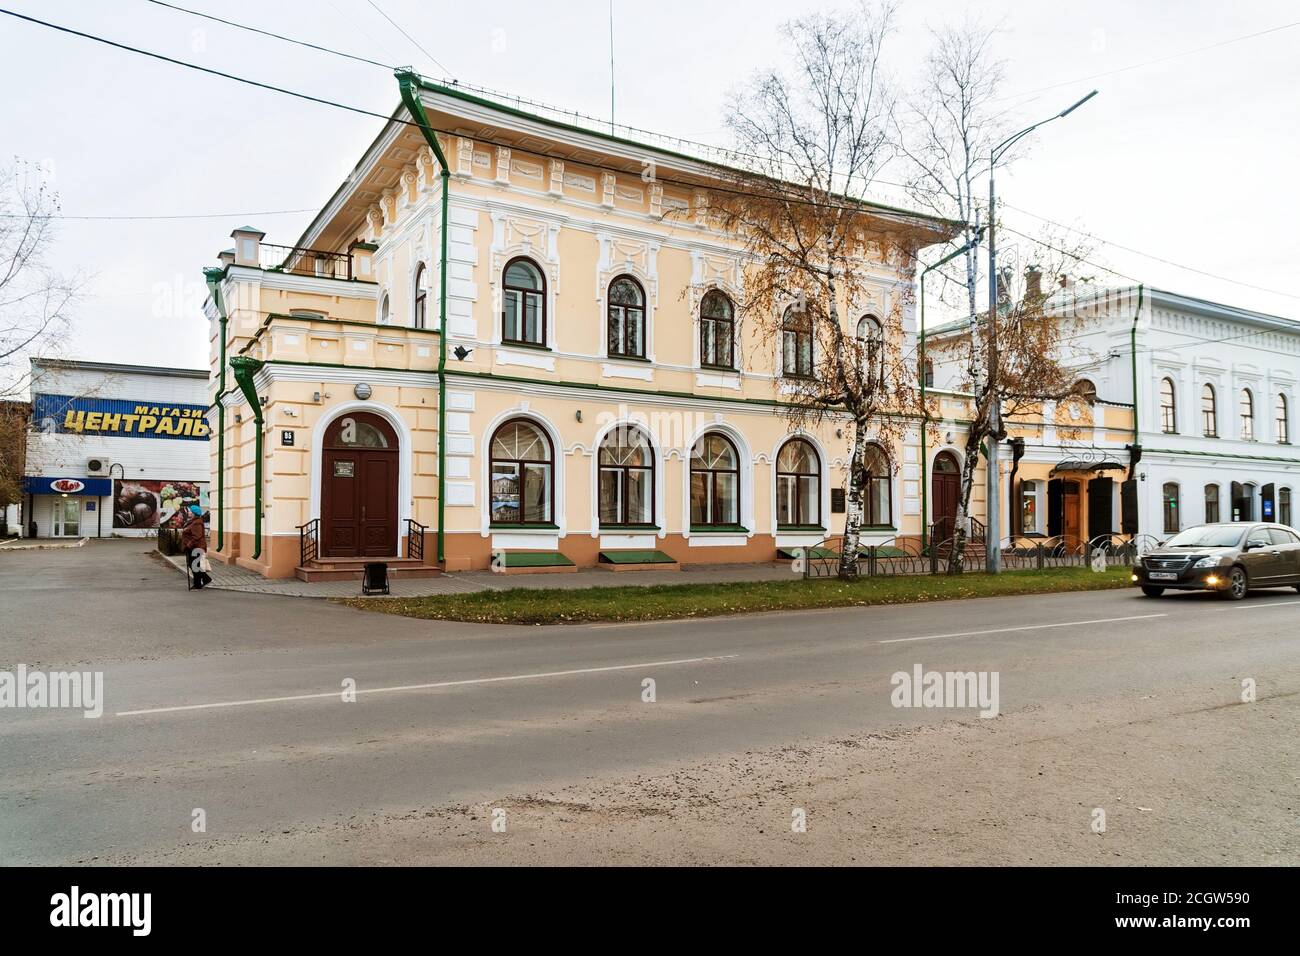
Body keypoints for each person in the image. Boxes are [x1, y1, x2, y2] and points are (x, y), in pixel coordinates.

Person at [180, 504, 211, 589]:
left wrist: (188, 545)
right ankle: (203, 580)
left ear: (194, 513)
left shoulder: (197, 523)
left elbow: (197, 537)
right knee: (193, 565)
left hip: (196, 548)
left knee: (194, 565)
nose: (189, 512)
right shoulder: (193, 521)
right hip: (194, 547)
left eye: (190, 511)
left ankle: (200, 582)